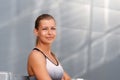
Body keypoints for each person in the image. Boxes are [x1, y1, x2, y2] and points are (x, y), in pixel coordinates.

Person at [27, 14, 71, 80]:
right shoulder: (36, 55)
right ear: (36, 32)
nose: (50, 33)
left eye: (53, 28)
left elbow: (67, 78)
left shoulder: (52, 56)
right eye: (45, 29)